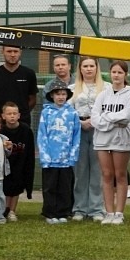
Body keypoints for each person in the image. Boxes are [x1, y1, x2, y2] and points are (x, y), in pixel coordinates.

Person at [92, 61, 130, 225]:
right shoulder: (103, 94)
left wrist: (106, 117)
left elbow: (127, 116)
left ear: (125, 75)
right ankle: (108, 212)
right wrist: (111, 120)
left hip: (121, 139)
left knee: (120, 175)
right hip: (102, 139)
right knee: (107, 175)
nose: (116, 75)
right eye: (114, 72)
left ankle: (119, 213)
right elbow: (95, 117)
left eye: (120, 72)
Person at [38, 79, 81, 224]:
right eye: (58, 94)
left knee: (65, 187)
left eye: (63, 94)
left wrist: (73, 154)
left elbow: (76, 135)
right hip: (50, 159)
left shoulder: (72, 113)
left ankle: (63, 212)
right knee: (50, 187)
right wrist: (44, 155)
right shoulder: (46, 112)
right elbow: (42, 134)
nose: (61, 97)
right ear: (52, 96)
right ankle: (50, 213)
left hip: (66, 159)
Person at [70, 57, 107, 222]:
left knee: (98, 171)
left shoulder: (106, 88)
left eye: (92, 66)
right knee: (80, 170)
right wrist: (80, 123)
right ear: (80, 68)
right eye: (85, 66)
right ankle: (79, 208)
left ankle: (96, 209)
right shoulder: (72, 89)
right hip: (78, 131)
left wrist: (95, 121)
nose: (89, 69)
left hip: (99, 130)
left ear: (97, 68)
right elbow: (68, 111)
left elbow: (108, 109)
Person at [0, 45, 38, 126]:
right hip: (0, 124)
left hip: (23, 122)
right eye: (9, 51)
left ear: (20, 53)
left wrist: (20, 113)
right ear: (2, 52)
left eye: (15, 51)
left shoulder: (29, 73)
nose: (12, 54)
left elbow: (33, 100)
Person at [0, 103, 34, 221]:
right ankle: (5, 209)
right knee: (6, 187)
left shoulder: (26, 130)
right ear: (3, 116)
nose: (12, 116)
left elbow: (30, 149)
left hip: (21, 162)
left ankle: (12, 211)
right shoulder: (0, 131)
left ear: (19, 115)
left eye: (14, 113)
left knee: (17, 187)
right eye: (9, 114)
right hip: (5, 164)